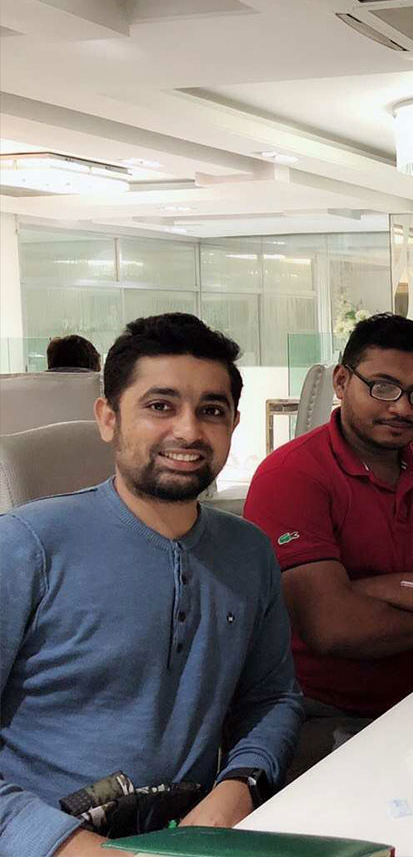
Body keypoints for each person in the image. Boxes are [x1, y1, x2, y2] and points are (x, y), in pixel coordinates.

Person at [0, 313, 302, 857]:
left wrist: (238, 788)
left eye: (211, 410)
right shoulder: (26, 547)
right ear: (108, 418)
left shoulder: (249, 552)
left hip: (191, 840)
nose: (188, 431)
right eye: (160, 406)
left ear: (233, 423)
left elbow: (272, 697)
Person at [243, 314, 413, 770]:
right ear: (342, 381)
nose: (402, 408)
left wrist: (363, 589)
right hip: (320, 711)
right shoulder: (292, 475)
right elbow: (332, 627)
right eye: (384, 387)